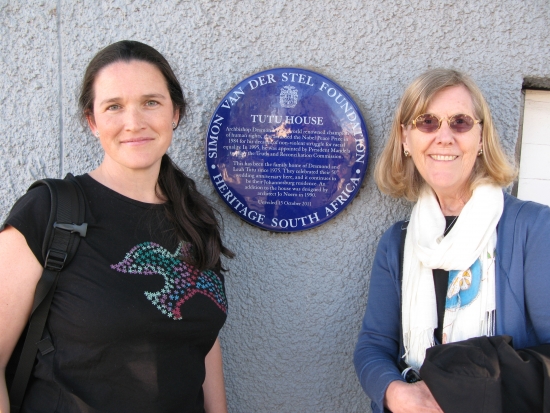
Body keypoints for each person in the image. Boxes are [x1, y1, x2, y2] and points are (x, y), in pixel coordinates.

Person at [0, 40, 234, 412]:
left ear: (175, 112)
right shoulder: (48, 212)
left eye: (151, 102)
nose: (134, 122)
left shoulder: (194, 217)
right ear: (92, 121)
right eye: (114, 107)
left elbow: (201, 340)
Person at [354, 68, 550, 413]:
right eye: (427, 122)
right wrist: (396, 393)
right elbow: (373, 346)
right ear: (405, 139)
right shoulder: (397, 243)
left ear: (481, 137)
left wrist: (465, 389)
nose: (444, 137)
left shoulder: (533, 228)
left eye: (460, 122)